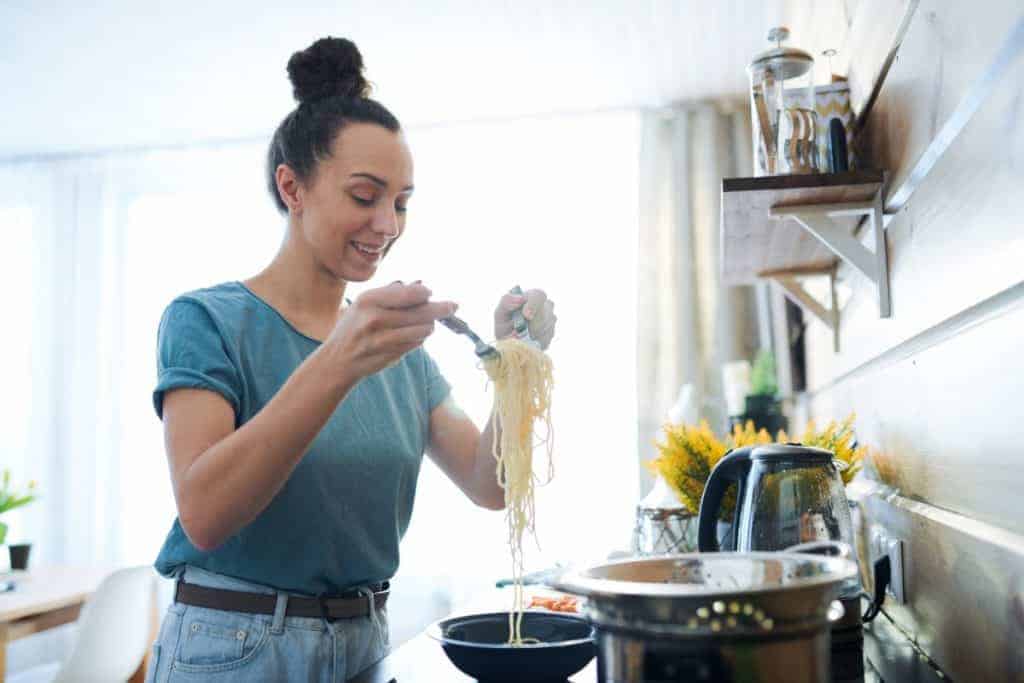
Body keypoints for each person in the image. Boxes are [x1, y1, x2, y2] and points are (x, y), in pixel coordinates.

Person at [145, 36, 556, 682]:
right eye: (365, 196)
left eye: (402, 202)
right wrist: (339, 360)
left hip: (366, 643)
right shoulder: (206, 321)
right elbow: (204, 513)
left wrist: (516, 361)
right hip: (236, 647)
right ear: (293, 186)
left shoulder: (393, 347)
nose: (387, 223)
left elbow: (490, 483)